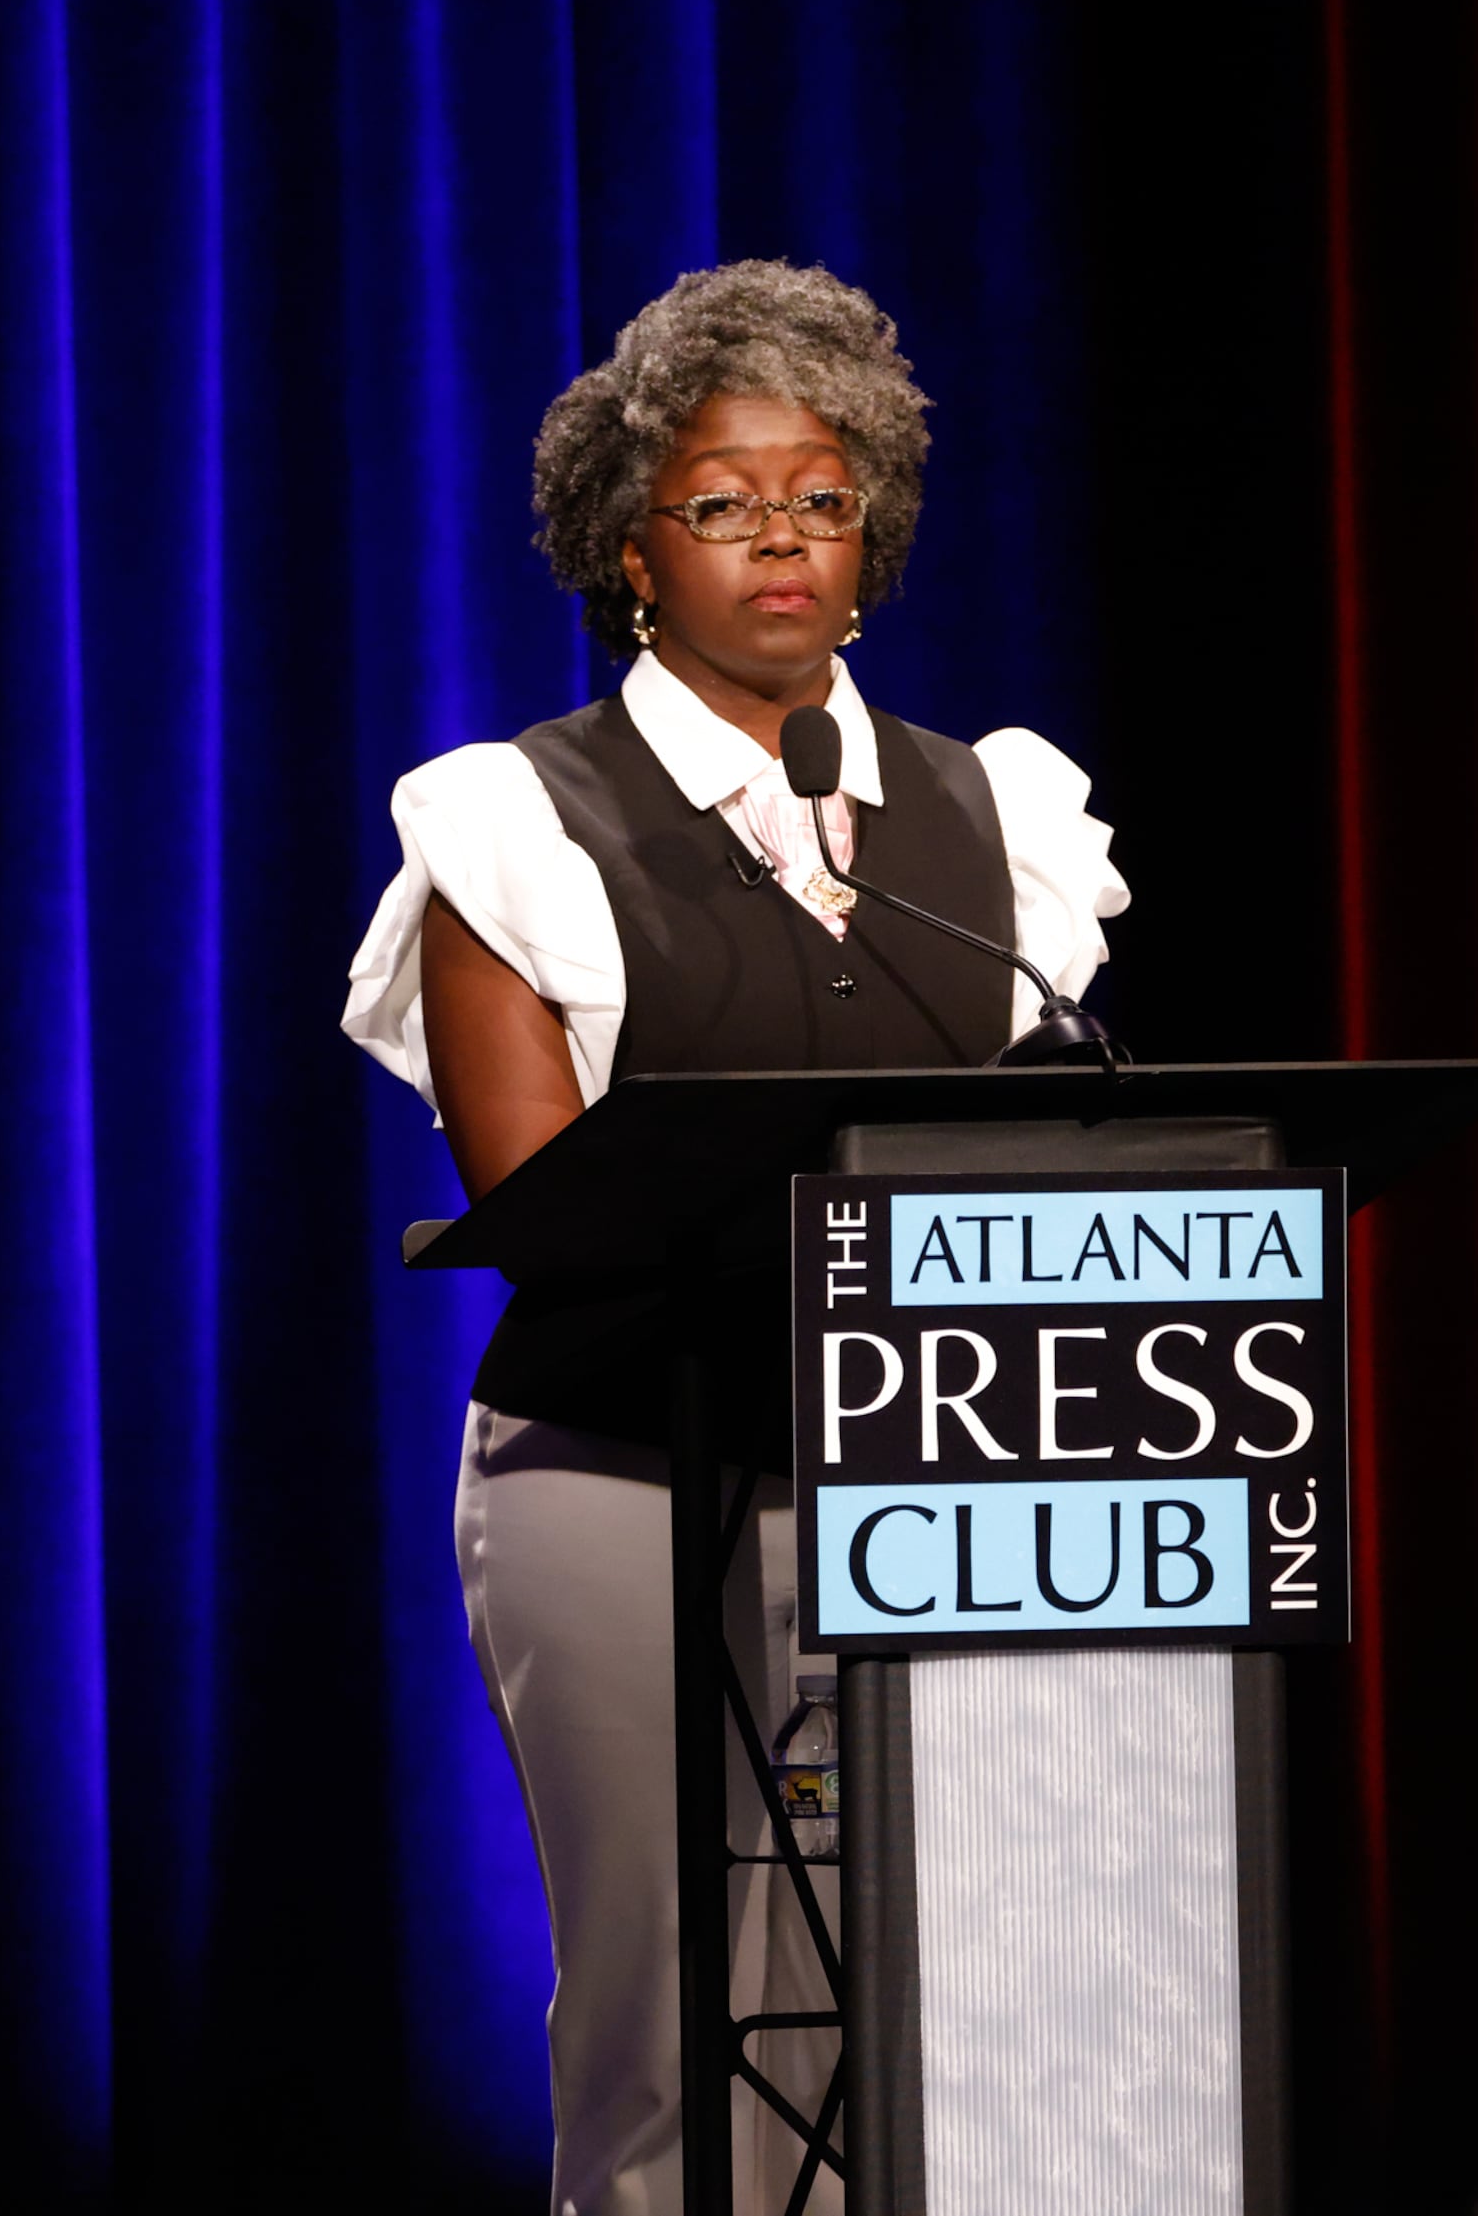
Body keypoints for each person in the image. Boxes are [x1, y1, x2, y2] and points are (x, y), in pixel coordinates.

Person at [339, 261, 1127, 2215]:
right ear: (631, 549)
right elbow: (549, 1197)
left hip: (933, 1474)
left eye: (825, 495)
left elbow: (1024, 1183)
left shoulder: (992, 825)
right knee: (674, 1989)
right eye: (722, 499)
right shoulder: (514, 828)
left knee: (929, 1997)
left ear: (873, 546)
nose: (782, 533)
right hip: (620, 1470)